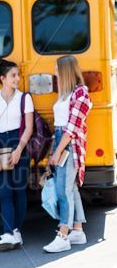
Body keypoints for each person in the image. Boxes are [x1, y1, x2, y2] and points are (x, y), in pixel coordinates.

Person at [43, 55, 92, 253]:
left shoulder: (81, 94)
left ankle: (63, 235)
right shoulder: (64, 94)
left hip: (70, 146)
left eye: (57, 69)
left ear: (65, 70)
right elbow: (59, 126)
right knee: (71, 189)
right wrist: (53, 151)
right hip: (61, 141)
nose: (54, 72)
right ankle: (78, 231)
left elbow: (71, 130)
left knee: (64, 191)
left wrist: (59, 151)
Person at [0, 59, 34, 251]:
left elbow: (29, 128)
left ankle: (15, 231)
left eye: (18, 75)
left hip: (19, 143)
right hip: (0, 144)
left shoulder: (24, 98)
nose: (17, 79)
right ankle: (8, 232)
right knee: (5, 192)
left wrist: (19, 149)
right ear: (2, 78)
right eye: (13, 75)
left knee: (19, 191)